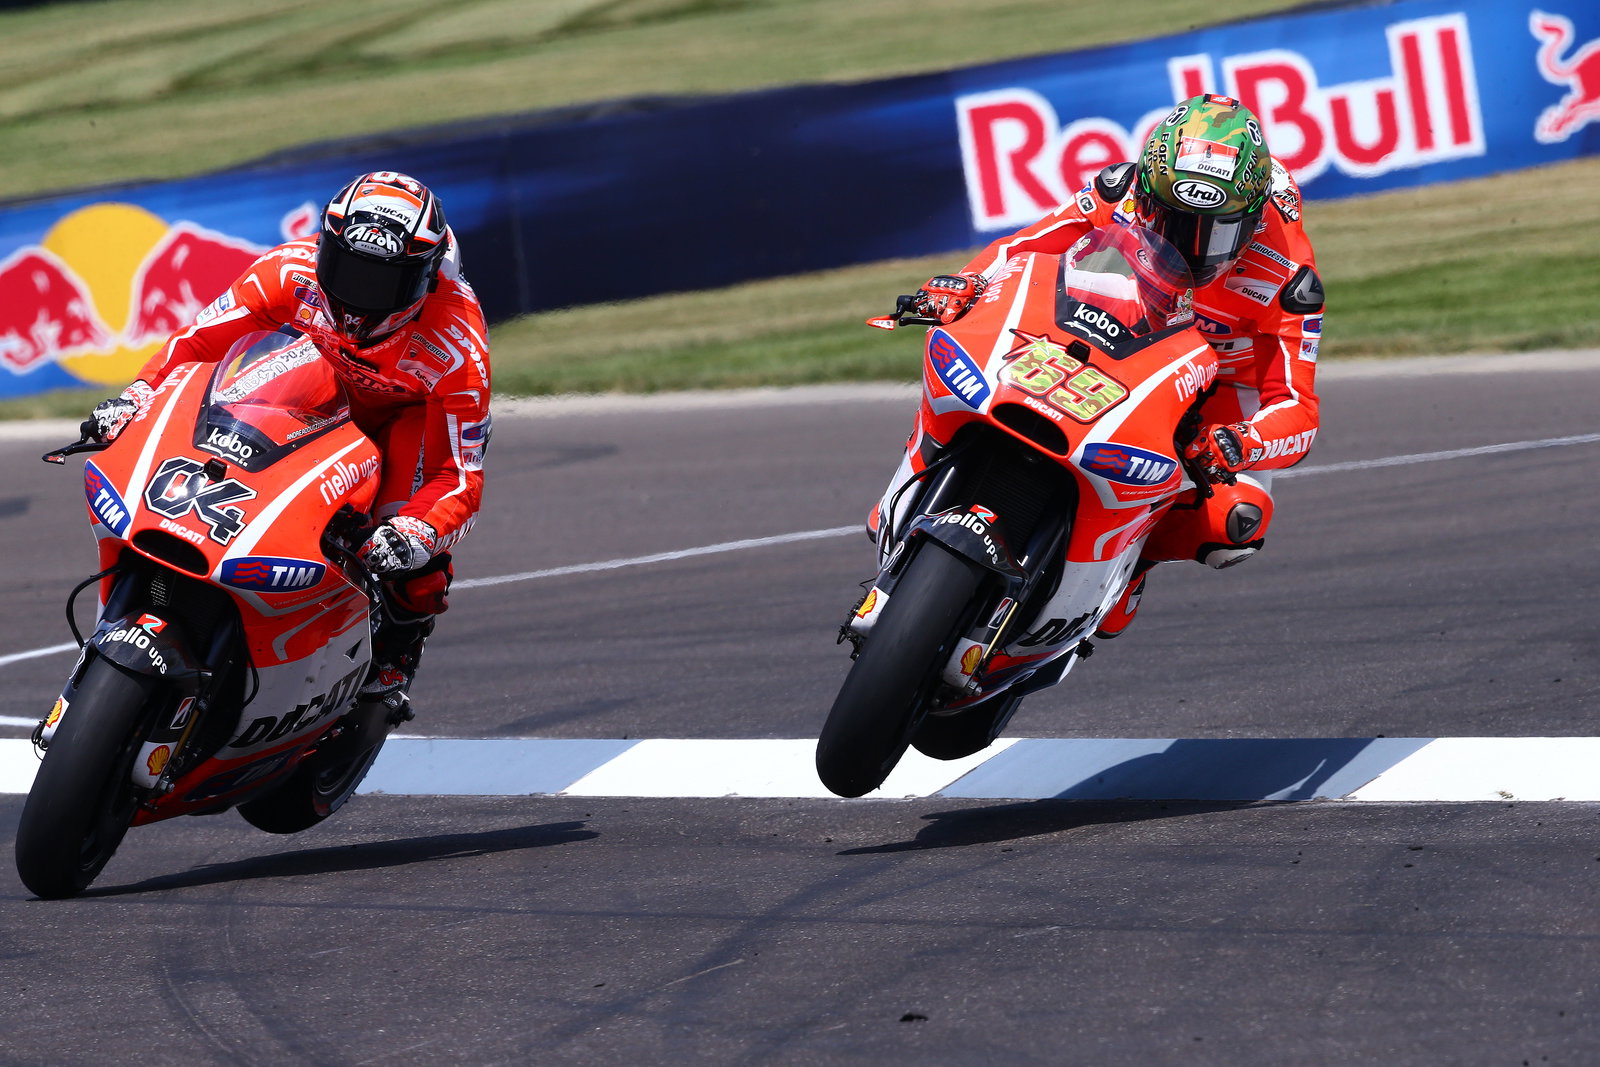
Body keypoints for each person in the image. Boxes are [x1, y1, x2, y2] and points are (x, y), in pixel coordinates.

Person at [893, 93, 1323, 639]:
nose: (1189, 248)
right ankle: (931, 470)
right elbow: (1022, 250)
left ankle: (1128, 562)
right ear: (1145, 191)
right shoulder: (1117, 191)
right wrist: (962, 286)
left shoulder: (1289, 277)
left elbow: (1298, 411)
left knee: (1234, 523)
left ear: (1252, 217)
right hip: (1104, 331)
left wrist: (1239, 442)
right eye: (1170, 220)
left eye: (1213, 232)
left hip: (1214, 388)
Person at [89, 171, 491, 716]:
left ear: (427, 280)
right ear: (322, 248)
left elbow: (460, 476)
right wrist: (135, 397)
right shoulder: (289, 270)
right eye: (345, 268)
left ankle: (398, 649)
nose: (355, 299)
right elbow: (193, 348)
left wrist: (418, 531)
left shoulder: (457, 342)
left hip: (402, 418)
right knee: (213, 424)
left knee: (406, 549)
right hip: (311, 382)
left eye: (382, 283)